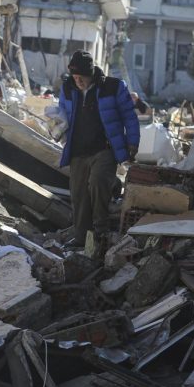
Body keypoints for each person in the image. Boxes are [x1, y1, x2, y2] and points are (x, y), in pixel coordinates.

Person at [59, 50, 140, 249]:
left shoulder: (113, 87)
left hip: (105, 148)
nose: (78, 81)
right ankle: (81, 237)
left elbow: (129, 116)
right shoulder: (68, 88)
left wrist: (132, 143)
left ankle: (100, 231)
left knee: (97, 182)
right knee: (78, 193)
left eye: (81, 77)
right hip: (78, 150)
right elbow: (61, 113)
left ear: (91, 73)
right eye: (75, 77)